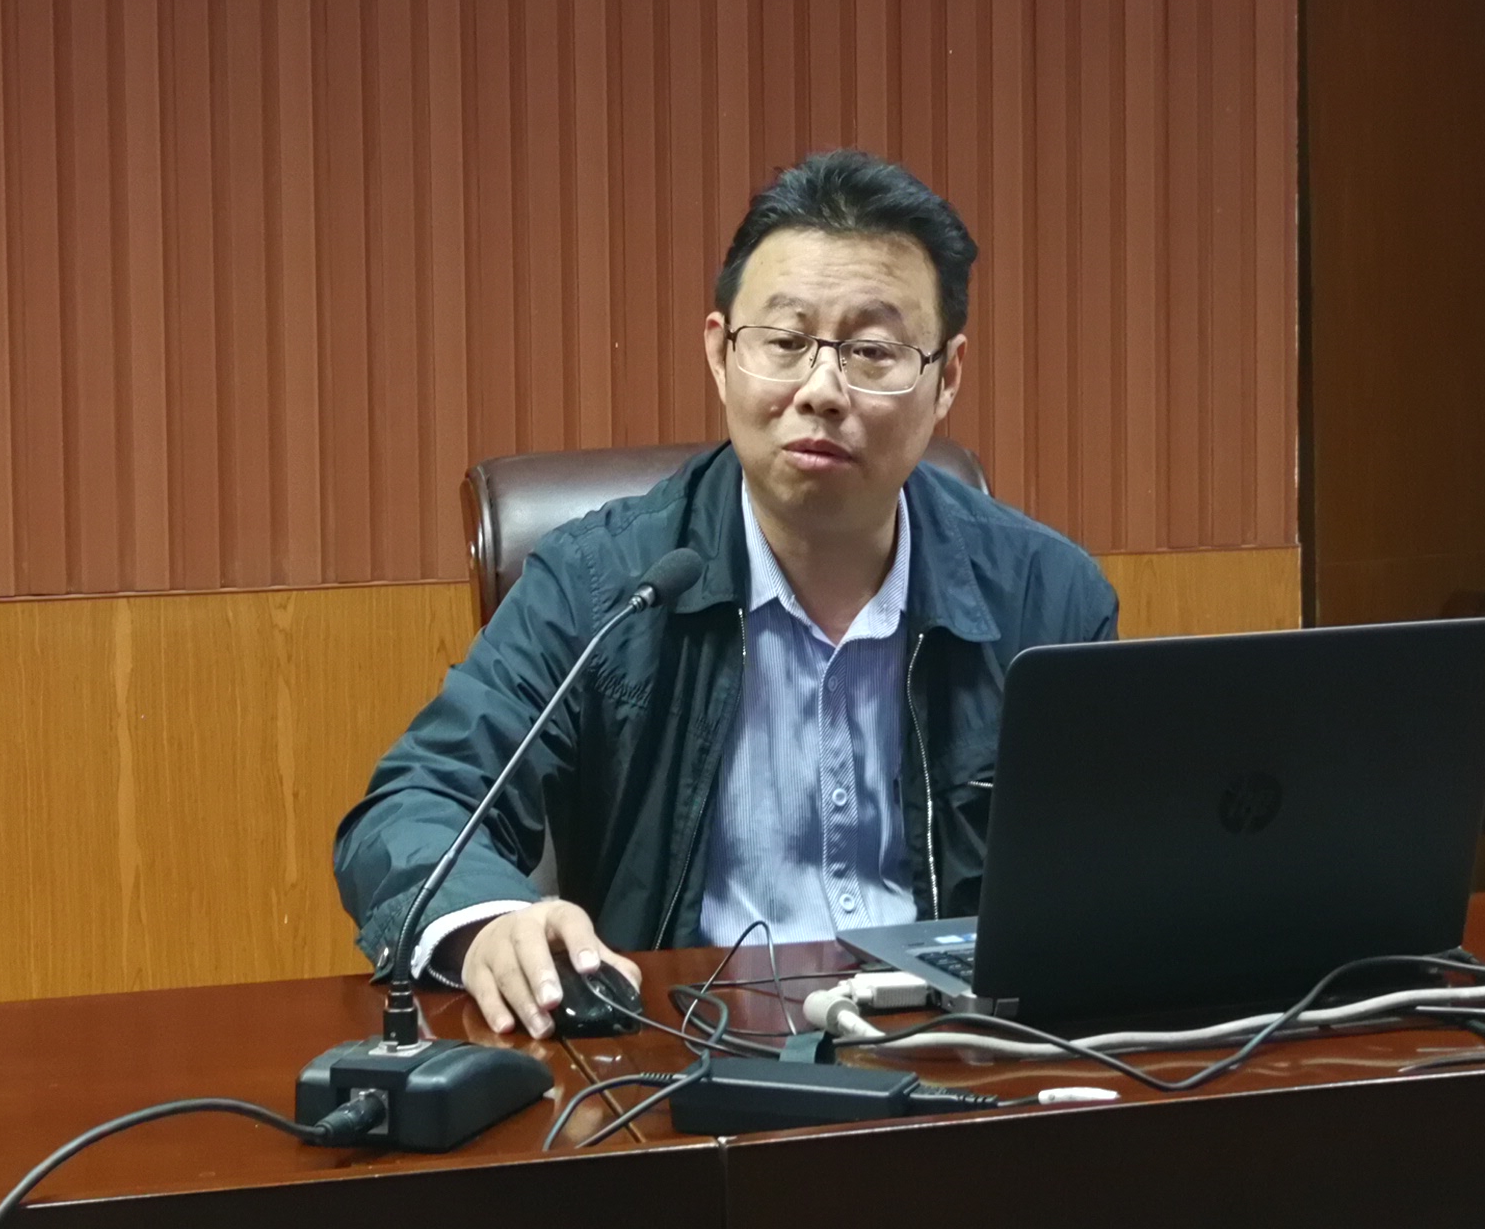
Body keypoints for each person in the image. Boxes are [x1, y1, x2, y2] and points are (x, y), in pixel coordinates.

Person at [334, 148, 1118, 1037]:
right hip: (680, 1059)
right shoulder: (604, 583)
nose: (821, 391)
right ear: (720, 352)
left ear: (947, 379)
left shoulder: (1045, 597)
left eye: (872, 351)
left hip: (960, 1055)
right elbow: (417, 802)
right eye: (785, 342)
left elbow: (1115, 870)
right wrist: (490, 923)